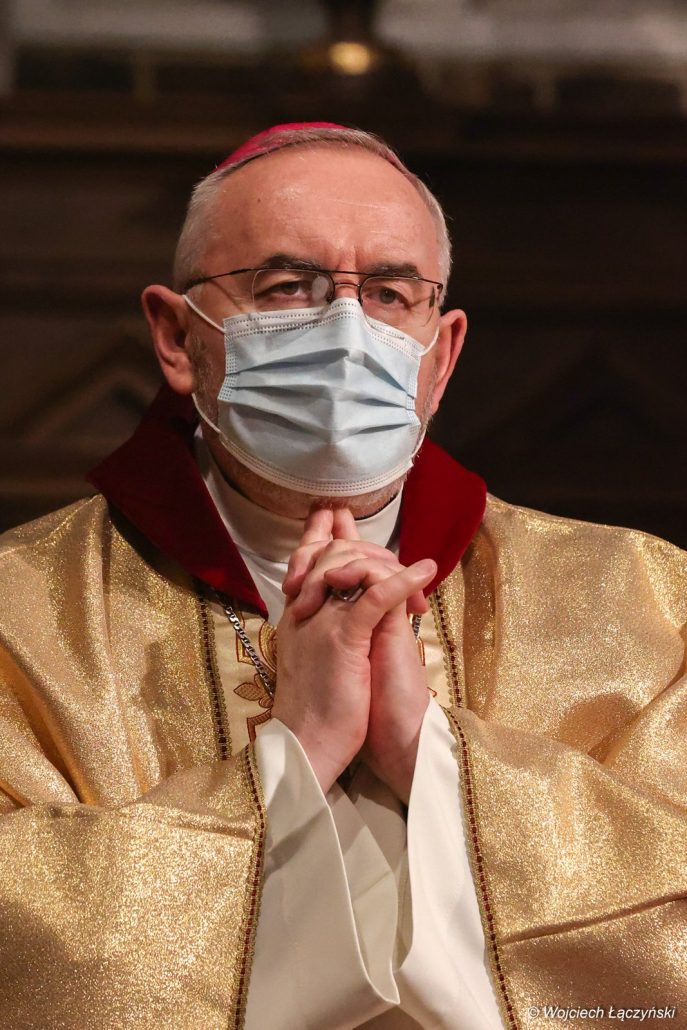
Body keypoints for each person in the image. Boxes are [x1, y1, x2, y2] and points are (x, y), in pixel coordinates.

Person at [0, 122, 684, 1030]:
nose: (346, 331)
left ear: (440, 356)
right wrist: (294, 757)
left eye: (390, 293)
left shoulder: (644, 600)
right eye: (287, 287)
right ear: (175, 336)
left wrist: (430, 753)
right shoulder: (20, 614)